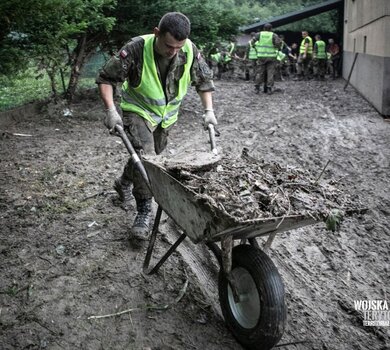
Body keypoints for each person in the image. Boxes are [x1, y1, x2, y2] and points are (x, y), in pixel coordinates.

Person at [96, 12, 217, 238]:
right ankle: (143, 211)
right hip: (138, 111)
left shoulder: (189, 49)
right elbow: (106, 78)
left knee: (148, 158)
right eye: (169, 46)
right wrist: (111, 110)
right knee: (149, 160)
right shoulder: (136, 48)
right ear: (156, 33)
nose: (173, 52)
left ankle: (123, 181)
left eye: (178, 47)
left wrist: (209, 112)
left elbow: (204, 82)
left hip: (165, 118)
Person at [252, 23, 281, 94]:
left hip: (261, 56)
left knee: (259, 72)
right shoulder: (274, 35)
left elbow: (252, 42)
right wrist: (275, 46)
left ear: (264, 28)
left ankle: (257, 88)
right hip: (271, 56)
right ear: (271, 29)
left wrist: (256, 48)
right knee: (270, 72)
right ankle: (269, 89)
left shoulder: (259, 34)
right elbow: (278, 44)